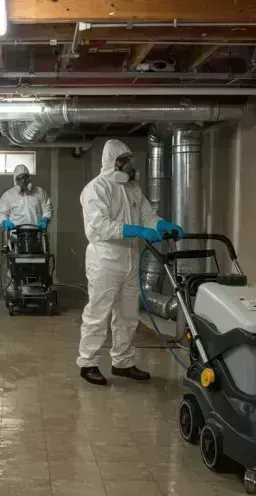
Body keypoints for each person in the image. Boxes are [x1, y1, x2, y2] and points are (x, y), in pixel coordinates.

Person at [77, 139, 184, 386]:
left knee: (127, 315)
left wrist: (159, 224)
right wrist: (136, 230)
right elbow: (99, 226)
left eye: (129, 160)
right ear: (111, 161)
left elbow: (147, 214)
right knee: (98, 313)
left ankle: (122, 362)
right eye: (123, 160)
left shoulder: (133, 188)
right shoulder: (96, 188)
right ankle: (88, 362)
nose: (127, 165)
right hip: (105, 259)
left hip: (130, 259)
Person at [0, 164, 53, 232]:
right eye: (19, 178)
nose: (23, 181)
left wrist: (44, 220)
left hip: (36, 233)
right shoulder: (8, 195)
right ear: (15, 180)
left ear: (29, 178)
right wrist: (4, 221)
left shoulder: (39, 192)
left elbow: (47, 208)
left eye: (25, 177)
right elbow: (0, 213)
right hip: (15, 235)